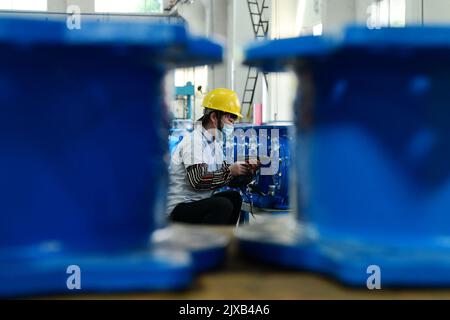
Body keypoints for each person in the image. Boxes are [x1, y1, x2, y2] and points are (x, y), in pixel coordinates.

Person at [166, 88, 259, 225]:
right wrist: (230, 171)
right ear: (214, 117)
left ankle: (225, 241)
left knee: (234, 197)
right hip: (179, 208)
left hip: (198, 204)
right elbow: (198, 180)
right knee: (222, 205)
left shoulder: (214, 144)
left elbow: (224, 178)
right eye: (230, 118)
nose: (232, 123)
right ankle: (209, 243)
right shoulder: (194, 142)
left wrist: (246, 171)